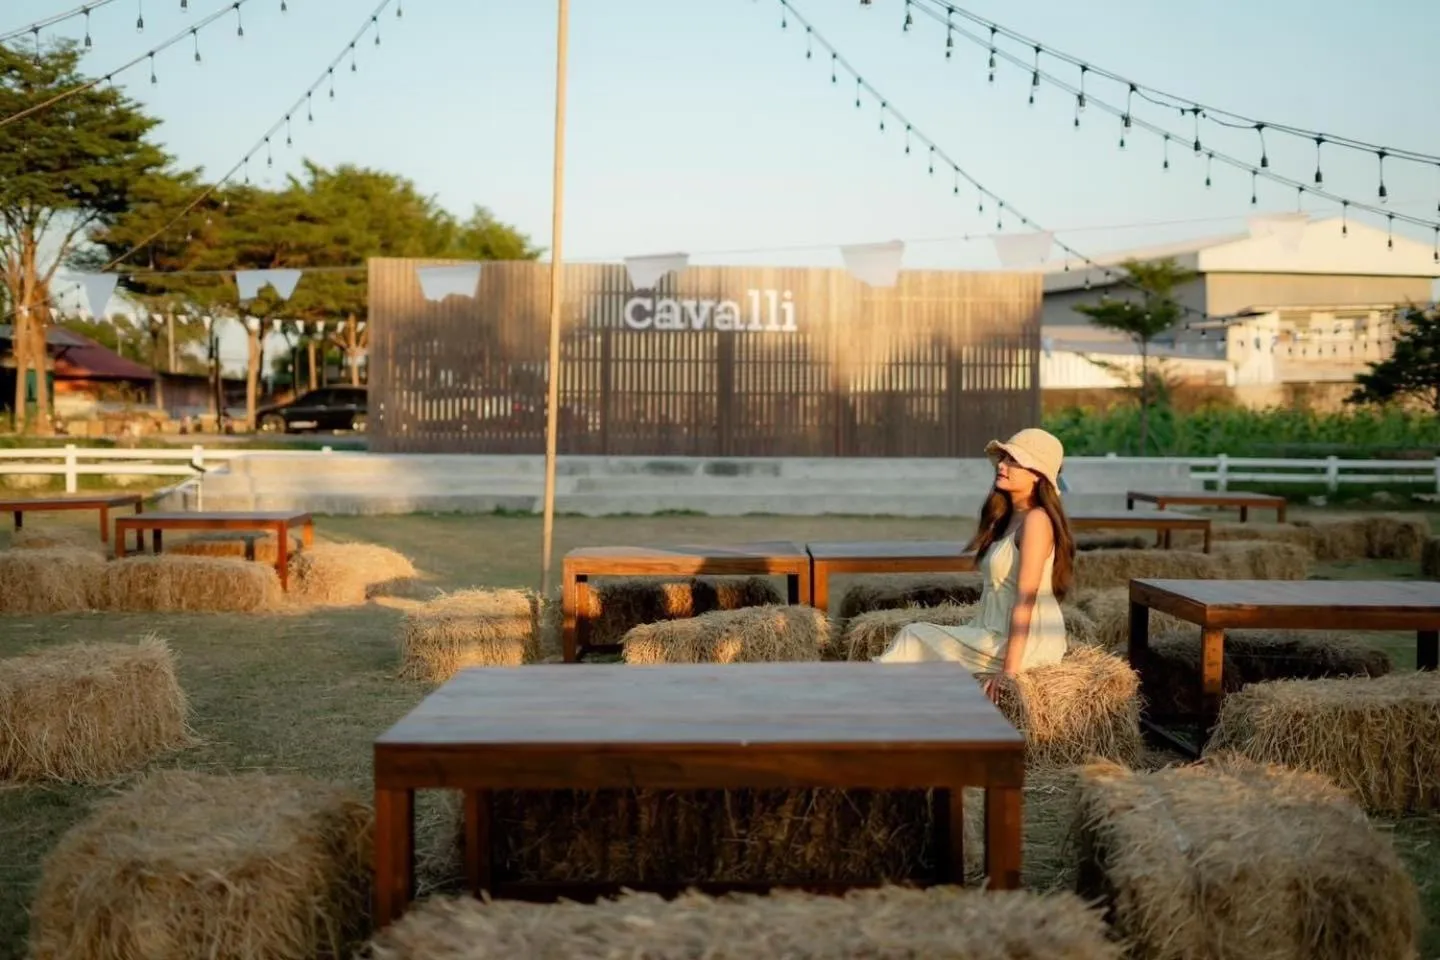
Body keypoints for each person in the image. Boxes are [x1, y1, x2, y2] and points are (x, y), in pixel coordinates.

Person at [873, 427, 1076, 704]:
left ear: (1037, 475)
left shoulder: (1036, 521)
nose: (1002, 465)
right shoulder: (1010, 518)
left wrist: (1009, 672)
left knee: (913, 636)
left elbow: (1025, 599)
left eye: (1014, 461)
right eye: (1003, 458)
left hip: (1026, 641)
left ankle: (870, 707)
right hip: (991, 631)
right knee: (915, 640)